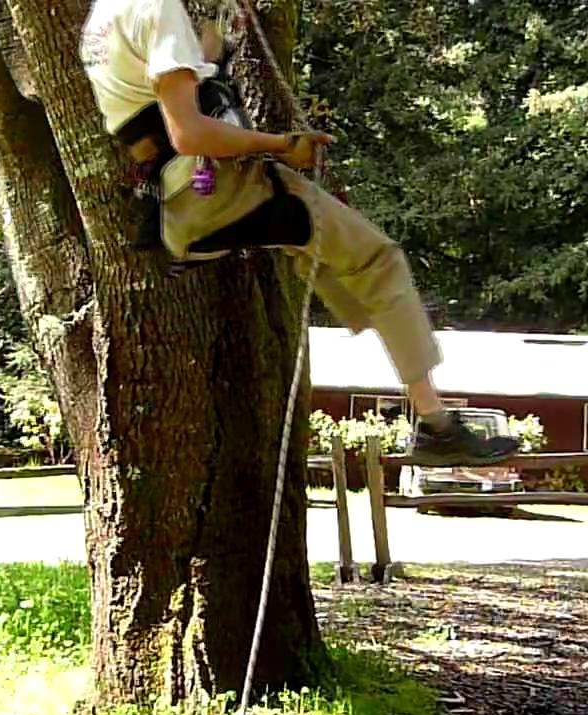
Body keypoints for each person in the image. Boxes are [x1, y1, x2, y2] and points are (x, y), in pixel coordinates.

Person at [80, 0, 520, 467]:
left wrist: (219, 35)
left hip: (181, 207)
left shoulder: (103, 20)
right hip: (216, 189)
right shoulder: (158, 7)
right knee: (378, 259)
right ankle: (436, 425)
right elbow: (188, 133)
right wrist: (283, 146)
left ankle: (403, 360)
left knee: (338, 266)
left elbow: (175, 83)